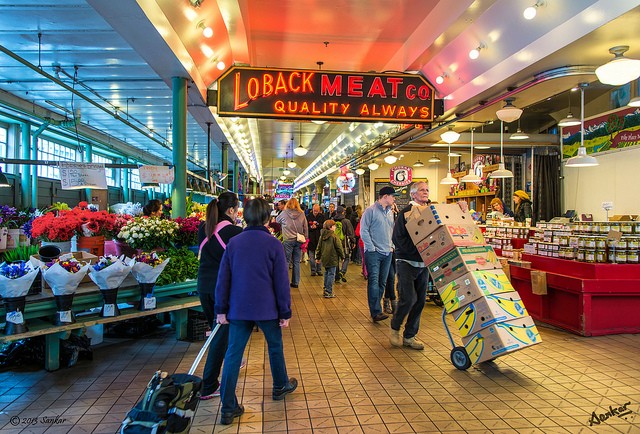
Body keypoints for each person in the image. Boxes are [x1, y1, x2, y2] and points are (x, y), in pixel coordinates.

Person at [215, 198, 297, 425]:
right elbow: (281, 281)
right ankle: (280, 385)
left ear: (245, 216)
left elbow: (224, 279)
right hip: (267, 308)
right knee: (275, 347)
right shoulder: (273, 244)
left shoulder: (234, 243)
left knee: (233, 354)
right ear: (267, 218)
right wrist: (285, 311)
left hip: (238, 308)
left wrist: (221, 309)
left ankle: (228, 407)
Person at [196, 192, 243, 400]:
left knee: (218, 332)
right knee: (219, 335)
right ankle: (208, 385)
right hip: (221, 289)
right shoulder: (234, 231)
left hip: (204, 287)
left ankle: (229, 360)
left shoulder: (203, 228)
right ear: (231, 210)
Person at [390, 181, 431, 350]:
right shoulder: (405, 213)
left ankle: (410, 336)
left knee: (420, 300)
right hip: (406, 261)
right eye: (422, 190)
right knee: (408, 298)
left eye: (427, 190)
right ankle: (395, 327)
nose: (425, 192)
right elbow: (396, 238)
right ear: (413, 194)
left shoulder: (431, 212)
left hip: (424, 263)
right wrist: (416, 250)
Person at [360, 186, 397, 322]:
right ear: (385, 196)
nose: (394, 199)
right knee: (374, 282)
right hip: (374, 253)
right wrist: (371, 248)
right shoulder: (370, 211)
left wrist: (392, 246)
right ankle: (375, 311)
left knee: (382, 282)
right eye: (393, 196)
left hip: (387, 252)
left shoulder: (390, 212)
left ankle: (378, 310)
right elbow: (364, 231)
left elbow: (391, 230)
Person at [276, 197, 309, 288]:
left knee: (286, 261)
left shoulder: (284, 213)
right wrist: (306, 239)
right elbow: (305, 227)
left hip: (287, 240)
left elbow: (277, 220)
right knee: (296, 262)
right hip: (299, 240)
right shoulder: (302, 214)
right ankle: (295, 282)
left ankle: (285, 282)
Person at [315, 219, 344, 298]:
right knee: (331, 274)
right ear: (331, 227)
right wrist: (343, 256)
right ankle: (329, 291)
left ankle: (325, 289)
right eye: (334, 226)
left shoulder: (322, 236)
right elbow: (339, 248)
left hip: (325, 258)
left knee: (327, 273)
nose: (335, 227)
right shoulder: (334, 236)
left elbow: (319, 247)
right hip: (332, 258)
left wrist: (318, 257)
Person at [334, 205, 355, 283]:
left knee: (336, 259)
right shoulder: (346, 221)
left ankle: (336, 276)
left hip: (335, 243)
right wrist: (353, 242)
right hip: (344, 243)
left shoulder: (333, 220)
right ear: (343, 212)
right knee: (346, 258)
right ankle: (342, 272)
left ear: (336, 212)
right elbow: (350, 233)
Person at [307, 204, 325, 276]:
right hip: (311, 238)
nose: (316, 212)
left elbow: (323, 226)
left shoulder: (322, 217)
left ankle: (319, 270)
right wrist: (311, 227)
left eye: (317, 211)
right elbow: (306, 227)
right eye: (314, 211)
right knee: (311, 257)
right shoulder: (308, 217)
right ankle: (313, 270)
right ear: (312, 209)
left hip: (319, 238)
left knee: (319, 255)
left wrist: (317, 225)